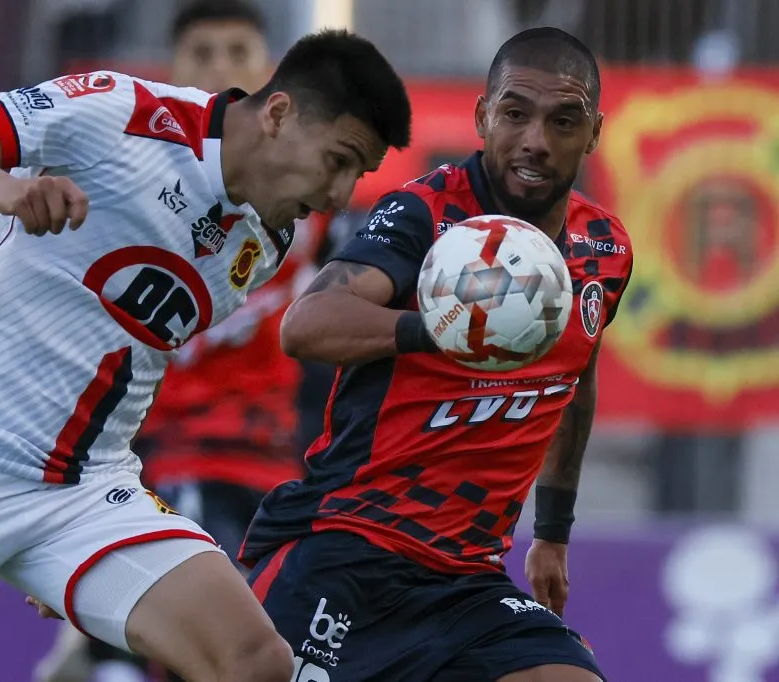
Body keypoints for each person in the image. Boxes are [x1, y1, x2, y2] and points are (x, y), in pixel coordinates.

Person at [0, 27, 411, 682]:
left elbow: (134, 361)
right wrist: (0, 187)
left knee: (255, 662)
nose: (340, 195)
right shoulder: (123, 113)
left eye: (358, 174)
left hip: (82, 491)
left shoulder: (265, 238)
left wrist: (63, 563)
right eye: (340, 160)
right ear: (279, 113)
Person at [239, 27, 632, 682]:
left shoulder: (604, 247)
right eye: (515, 114)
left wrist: (553, 531)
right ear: (482, 117)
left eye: (564, 121)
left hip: (466, 579)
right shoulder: (425, 214)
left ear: (592, 133)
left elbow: (574, 379)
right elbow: (307, 325)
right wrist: (444, 328)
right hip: (345, 551)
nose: (536, 141)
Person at [31, 2, 313, 680]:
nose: (221, 70)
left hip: (278, 466)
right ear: (173, 69)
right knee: (202, 634)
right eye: (203, 54)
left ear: (270, 73)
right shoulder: (123, 187)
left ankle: (103, 654)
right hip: (155, 459)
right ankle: (106, 657)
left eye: (238, 52)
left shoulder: (314, 203)